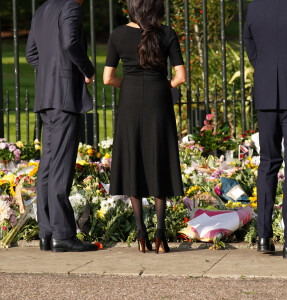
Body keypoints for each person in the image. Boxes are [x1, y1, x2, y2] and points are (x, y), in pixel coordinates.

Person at [103, 0, 186, 254]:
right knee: (158, 157)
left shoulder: (118, 34)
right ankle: (161, 234)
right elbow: (180, 76)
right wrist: (162, 87)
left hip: (129, 104)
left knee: (133, 159)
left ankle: (141, 234)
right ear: (156, 9)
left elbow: (108, 78)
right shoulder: (167, 34)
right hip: (159, 103)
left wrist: (128, 85)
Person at [26, 0, 98, 252]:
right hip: (64, 98)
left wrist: (52, 71)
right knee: (60, 166)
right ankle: (63, 234)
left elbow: (31, 54)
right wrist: (86, 69)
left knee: (47, 165)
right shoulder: (71, 7)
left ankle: (46, 233)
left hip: (46, 98)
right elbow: (70, 43)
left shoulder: (42, 9)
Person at [244, 0, 287, 259]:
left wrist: (265, 69)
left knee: (268, 163)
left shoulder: (255, 7)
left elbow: (250, 44)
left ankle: (264, 237)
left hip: (266, 93)